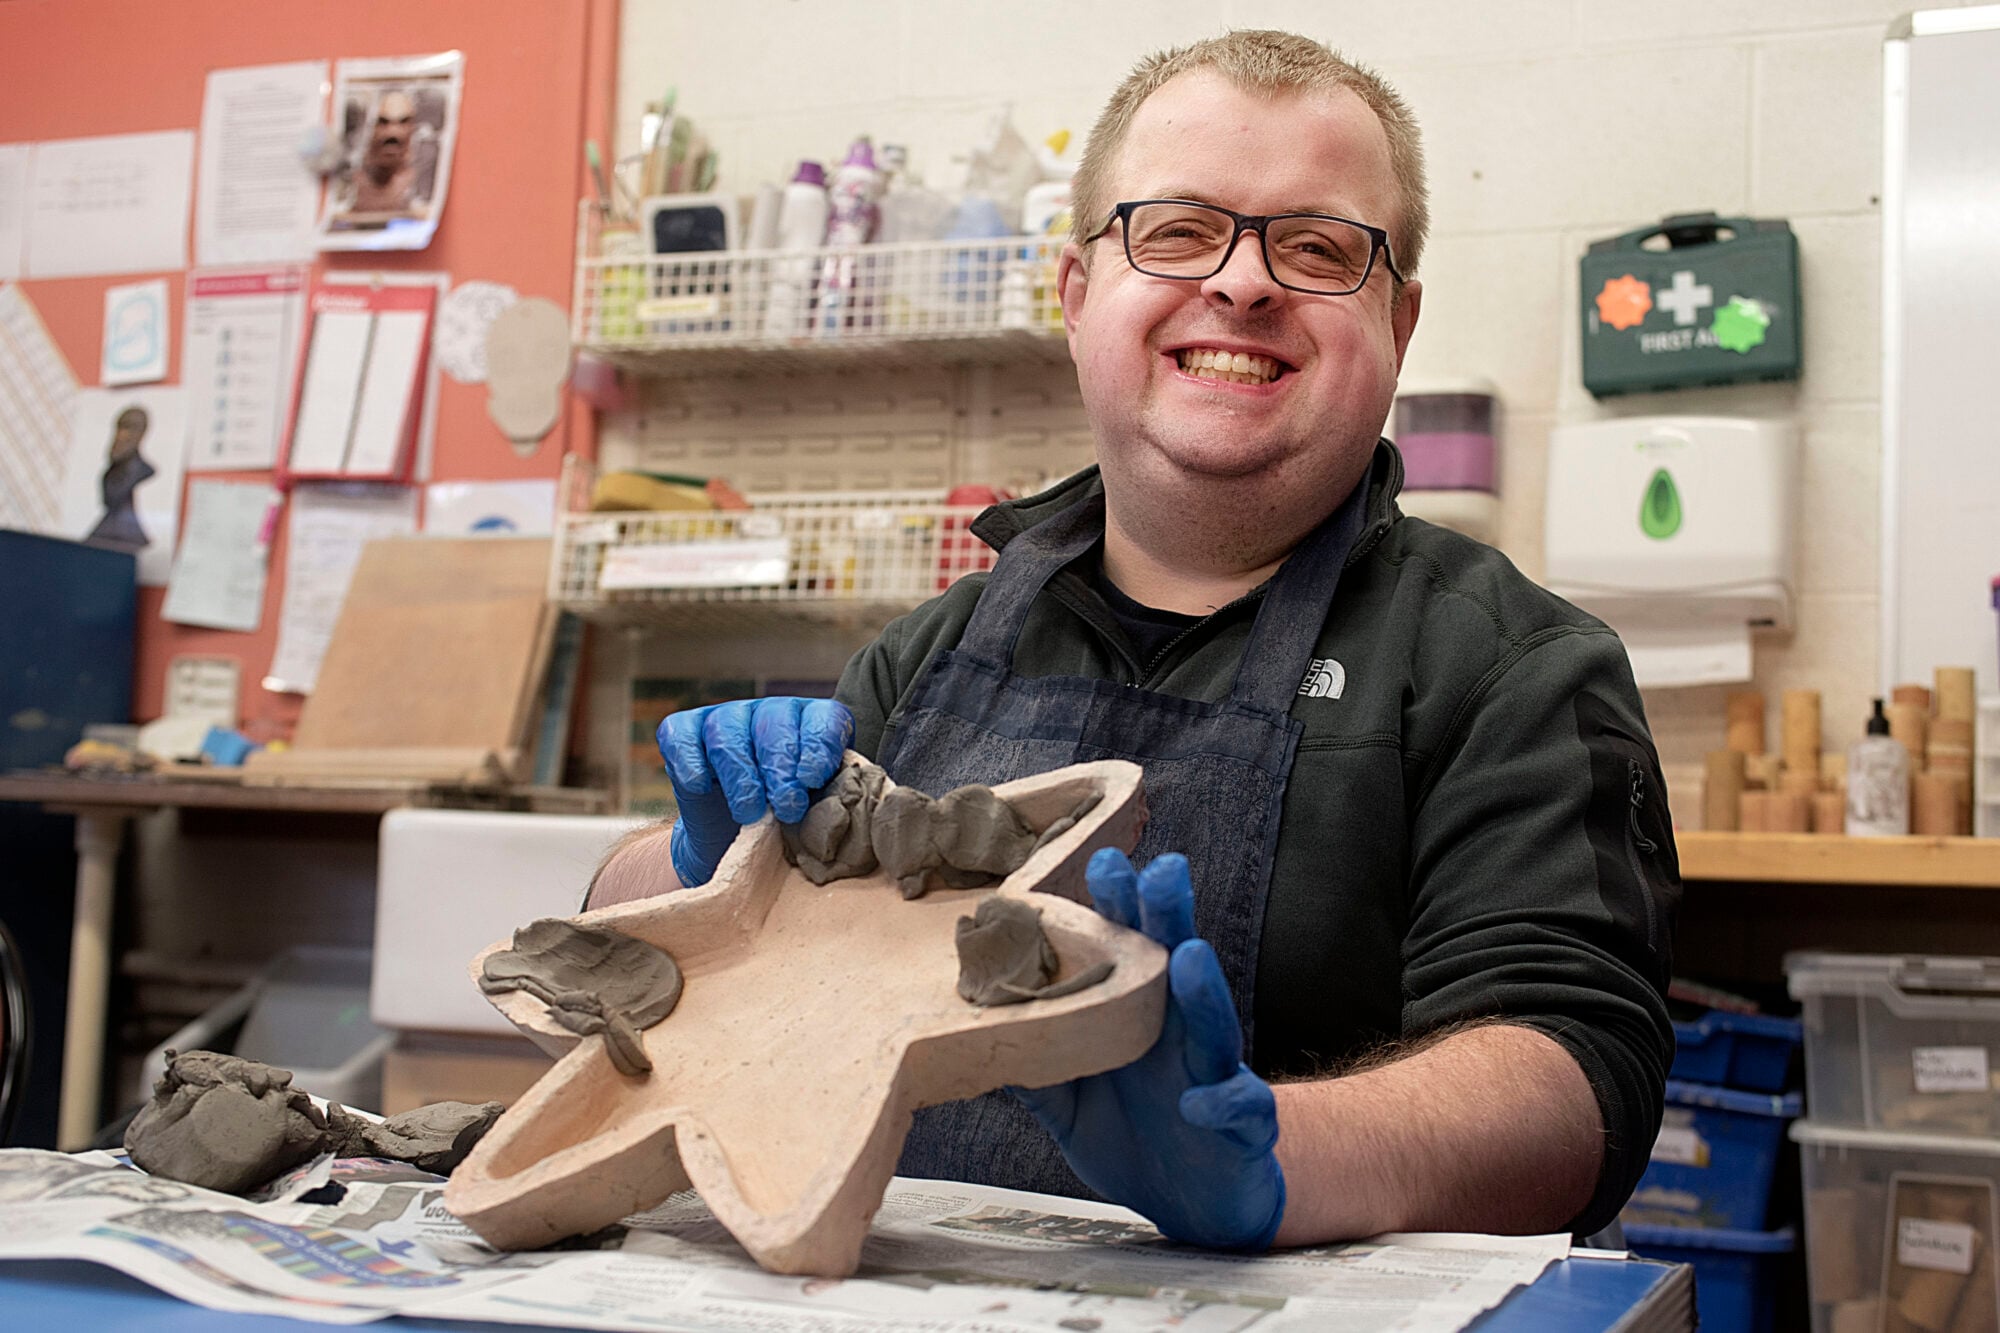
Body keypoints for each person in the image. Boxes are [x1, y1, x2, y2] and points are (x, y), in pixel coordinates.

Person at [589, 30, 1678, 1251]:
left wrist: (1271, 1152)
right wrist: (702, 869)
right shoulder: (923, 659)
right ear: (1074, 295)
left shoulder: (1511, 669)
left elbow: (1575, 1073)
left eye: (1316, 247)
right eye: (1176, 231)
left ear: (1398, 319)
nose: (1243, 283)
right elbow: (627, 968)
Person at [85, 405, 154, 551]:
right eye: (119, 427)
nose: (121, 435)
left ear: (140, 433)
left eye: (128, 428)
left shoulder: (143, 470)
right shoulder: (112, 469)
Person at [346, 90, 425, 215]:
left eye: (403, 122)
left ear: (413, 129)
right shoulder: (348, 187)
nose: (392, 132)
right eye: (383, 122)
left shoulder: (420, 193)